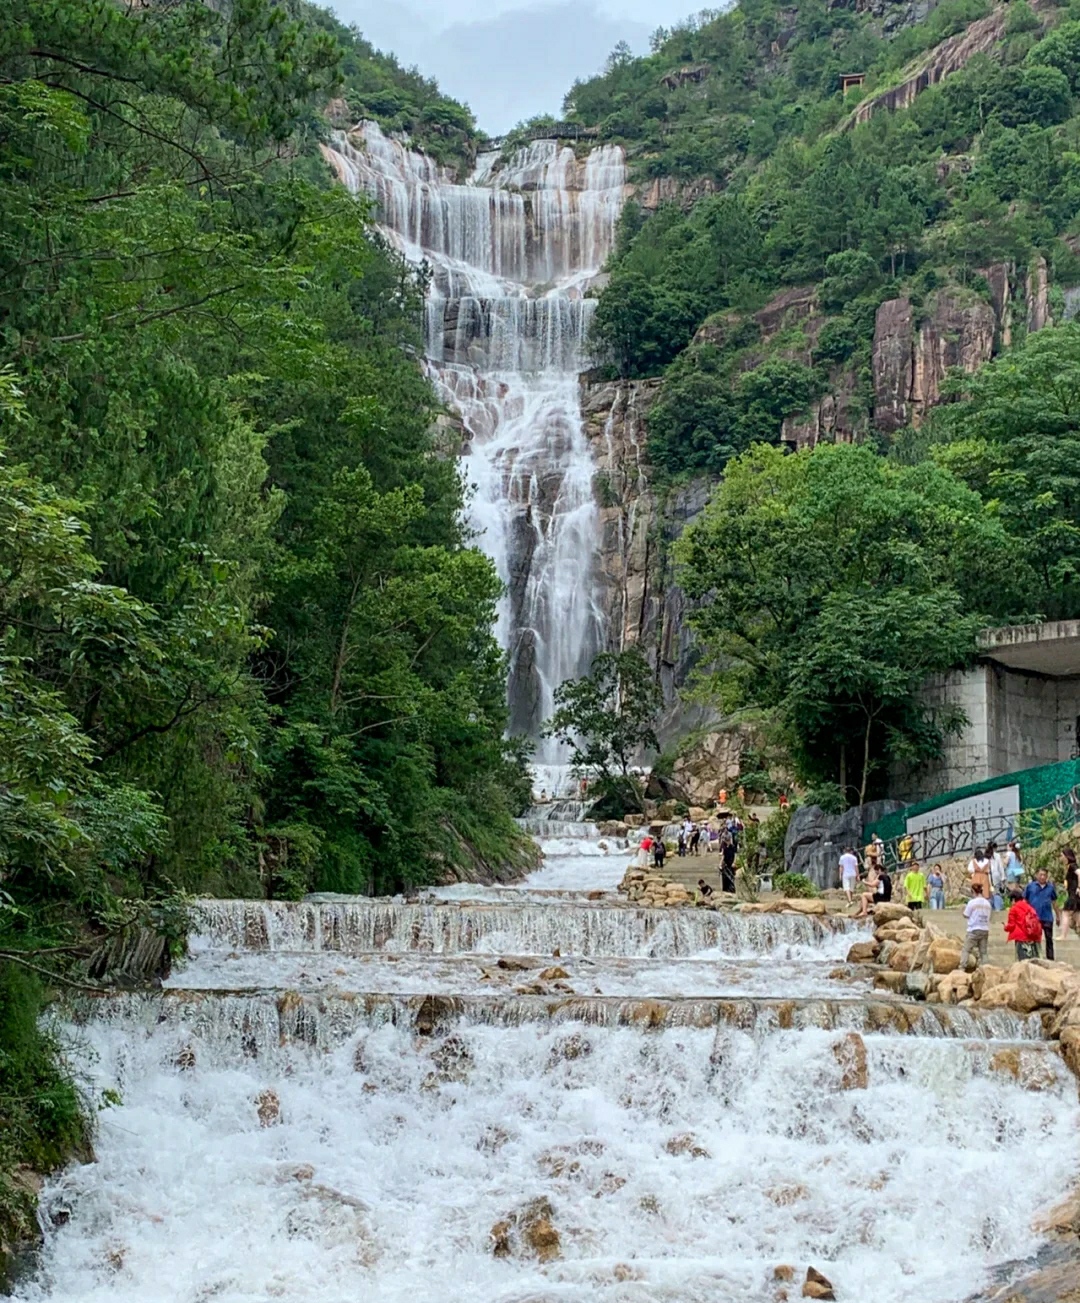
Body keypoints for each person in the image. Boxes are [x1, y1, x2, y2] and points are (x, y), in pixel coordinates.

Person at [1024, 868, 1061, 960]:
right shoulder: (1030, 886)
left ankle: (1050, 958)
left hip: (1047, 917)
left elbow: (1054, 902)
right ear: (1037, 875)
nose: (1042, 877)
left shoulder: (1050, 887)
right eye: (1041, 874)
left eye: (1044, 875)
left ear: (1047, 876)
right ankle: (1034, 957)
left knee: (1049, 939)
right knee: (1033, 939)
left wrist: (1058, 916)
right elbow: (1025, 901)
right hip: (1034, 918)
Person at [1004, 887, 1042, 961]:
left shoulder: (1014, 909)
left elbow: (1012, 925)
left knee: (1021, 960)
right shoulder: (1029, 907)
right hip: (1033, 936)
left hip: (1021, 937)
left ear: (1013, 899)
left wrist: (1006, 927)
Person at [960, 882, 992, 970]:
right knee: (983, 952)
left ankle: (962, 967)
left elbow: (966, 915)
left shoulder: (972, 903)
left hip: (973, 929)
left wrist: (962, 910)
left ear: (973, 891)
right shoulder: (987, 903)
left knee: (966, 949)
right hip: (985, 929)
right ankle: (986, 968)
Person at [1059, 848, 1079, 943]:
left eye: (1062, 855)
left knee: (1065, 913)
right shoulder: (1069, 867)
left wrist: (1079, 887)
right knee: (1076, 915)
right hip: (1073, 893)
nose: (1061, 857)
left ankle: (1063, 935)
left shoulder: (1073, 866)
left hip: (1074, 894)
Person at [987, 842, 1006, 910]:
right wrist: (1003, 877)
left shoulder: (985, 856)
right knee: (997, 893)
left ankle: (991, 909)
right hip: (996, 877)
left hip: (988, 877)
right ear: (995, 848)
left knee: (989, 894)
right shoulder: (997, 855)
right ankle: (998, 908)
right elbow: (1000, 867)